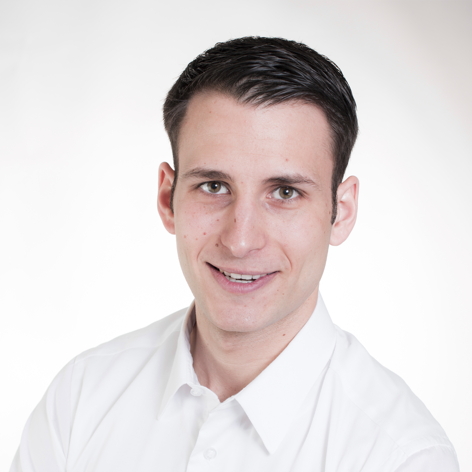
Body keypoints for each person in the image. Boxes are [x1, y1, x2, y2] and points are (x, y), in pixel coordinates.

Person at [10, 36, 459, 472]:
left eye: (285, 192)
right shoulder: (81, 398)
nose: (240, 241)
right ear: (168, 198)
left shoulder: (401, 458)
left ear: (340, 212)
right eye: (213, 186)